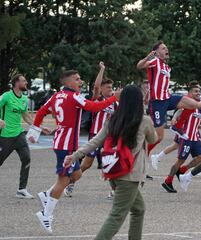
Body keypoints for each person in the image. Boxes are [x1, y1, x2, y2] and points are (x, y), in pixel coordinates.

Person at [64, 85, 158, 240]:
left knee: (139, 209)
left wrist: (75, 156)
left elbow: (95, 141)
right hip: (130, 176)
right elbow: (153, 139)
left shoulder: (113, 119)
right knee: (116, 216)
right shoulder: (145, 121)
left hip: (114, 171)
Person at [32, 70, 120, 233]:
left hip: (64, 143)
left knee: (77, 174)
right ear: (68, 83)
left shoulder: (56, 96)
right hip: (65, 145)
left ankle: (47, 194)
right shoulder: (74, 96)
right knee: (63, 180)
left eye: (80, 78)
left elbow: (42, 111)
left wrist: (35, 129)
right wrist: (115, 98)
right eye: (77, 79)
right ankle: (46, 213)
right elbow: (94, 108)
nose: (80, 81)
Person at [137, 41, 201, 154]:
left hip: (168, 98)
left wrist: (148, 93)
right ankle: (143, 153)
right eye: (163, 48)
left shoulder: (166, 67)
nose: (166, 49)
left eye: (166, 48)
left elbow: (155, 83)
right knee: (159, 137)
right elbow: (139, 65)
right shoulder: (154, 61)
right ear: (156, 52)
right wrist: (147, 58)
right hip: (158, 103)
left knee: (192, 104)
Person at [64, 62, 117, 198]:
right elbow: (96, 86)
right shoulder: (97, 99)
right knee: (87, 164)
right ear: (102, 90)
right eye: (108, 87)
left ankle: (115, 190)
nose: (111, 89)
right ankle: (71, 182)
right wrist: (102, 69)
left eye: (112, 87)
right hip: (96, 135)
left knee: (110, 162)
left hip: (109, 136)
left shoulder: (115, 103)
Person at [0, 74, 51, 199]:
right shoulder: (6, 96)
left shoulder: (23, 98)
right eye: (24, 81)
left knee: (26, 159)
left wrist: (40, 127)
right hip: (5, 136)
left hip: (19, 135)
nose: (26, 82)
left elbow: (27, 117)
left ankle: (21, 190)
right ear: (17, 83)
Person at [161, 84, 201, 193]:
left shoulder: (198, 106)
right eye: (196, 91)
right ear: (190, 93)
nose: (198, 93)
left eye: (199, 91)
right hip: (186, 137)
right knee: (180, 160)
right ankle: (168, 181)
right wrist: (173, 118)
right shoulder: (187, 103)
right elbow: (178, 111)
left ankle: (182, 170)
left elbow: (199, 119)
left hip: (195, 137)